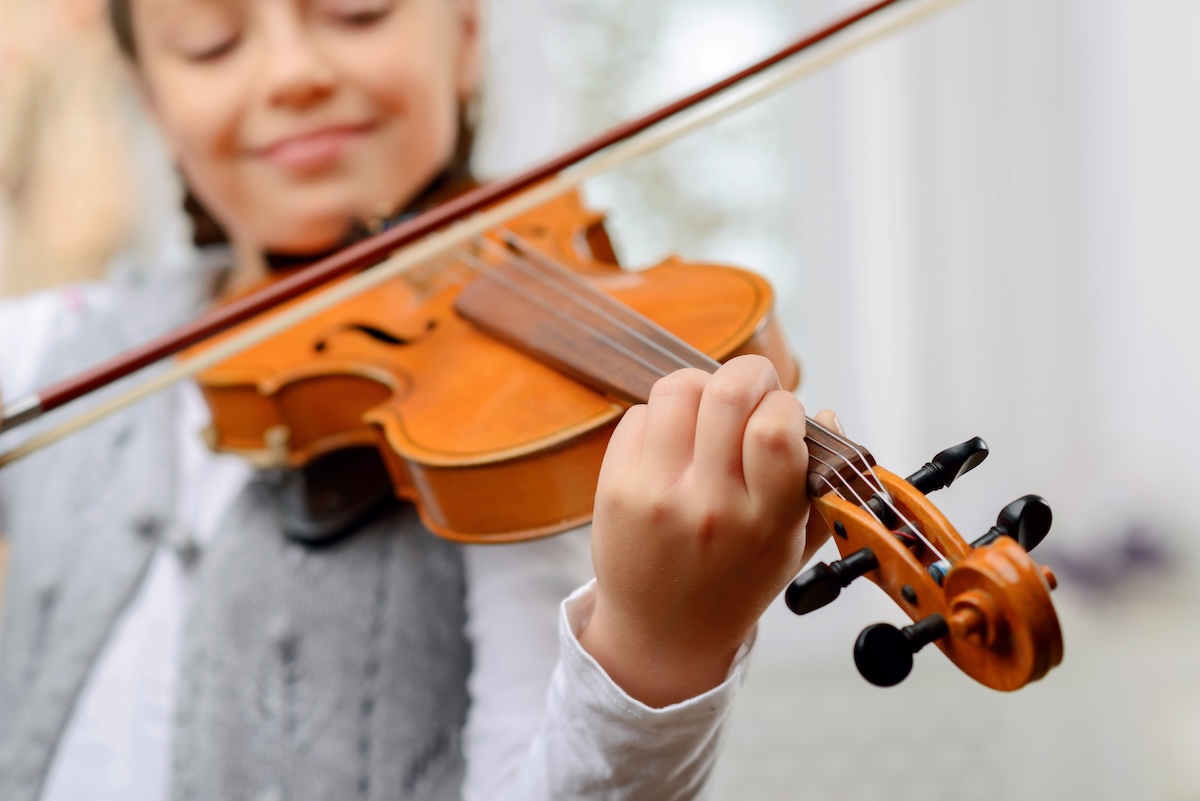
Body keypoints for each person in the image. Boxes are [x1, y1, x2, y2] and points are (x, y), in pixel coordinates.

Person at [0, 1, 840, 799]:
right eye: (210, 39)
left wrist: (657, 649)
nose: (292, 73)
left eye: (359, 12)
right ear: (151, 100)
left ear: (465, 35)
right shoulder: (59, 345)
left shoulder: (503, 426)